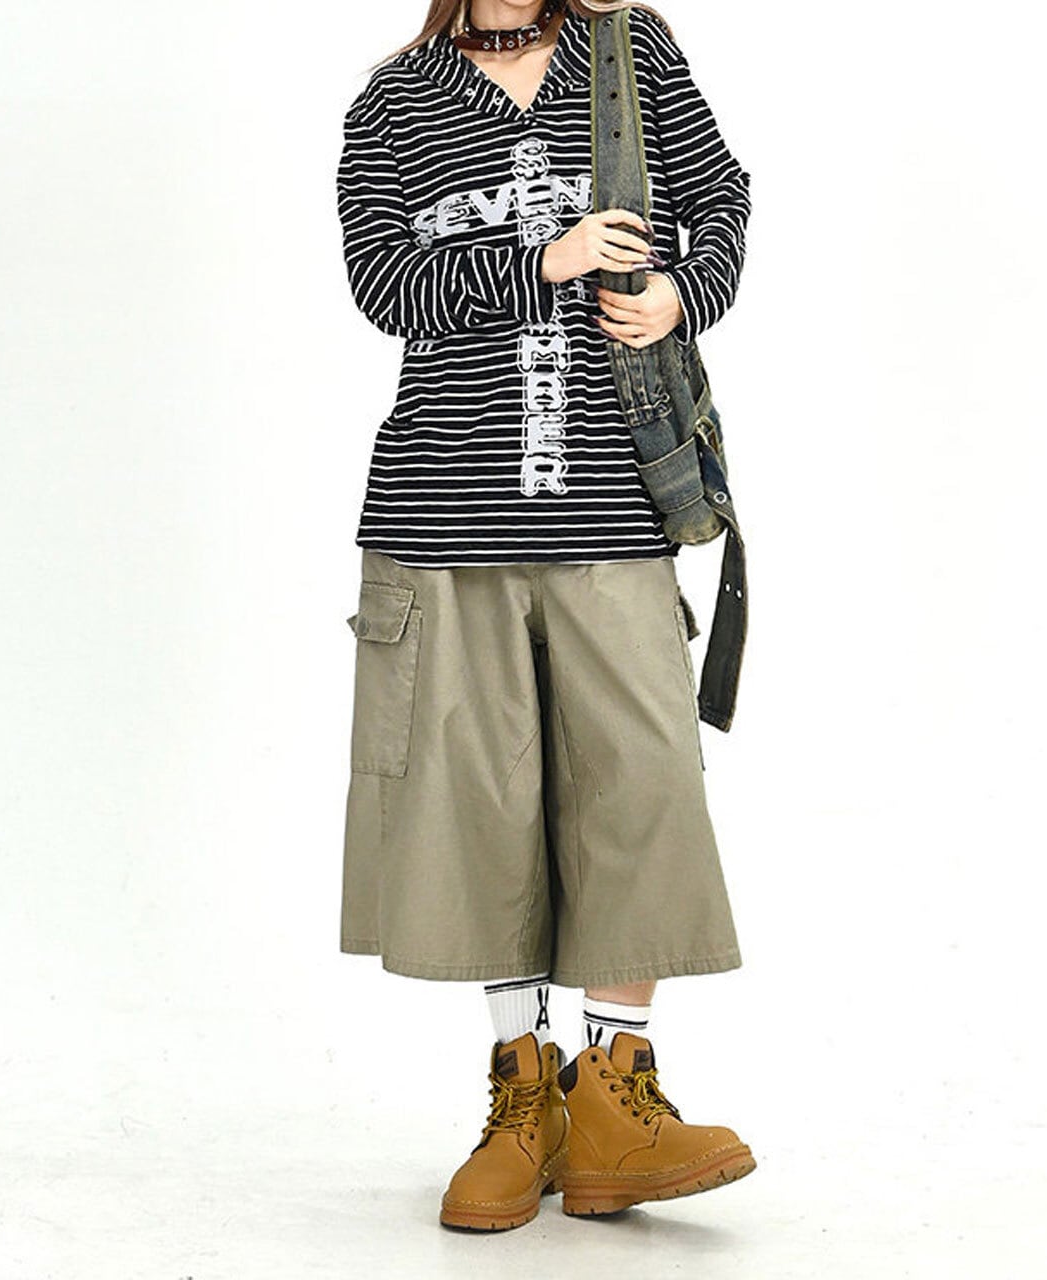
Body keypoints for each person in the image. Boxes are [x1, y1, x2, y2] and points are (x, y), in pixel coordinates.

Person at [335, 0, 755, 1229]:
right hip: (445, 513)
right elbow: (383, 283)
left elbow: (722, 197)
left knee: (642, 783)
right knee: (481, 804)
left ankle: (618, 1096)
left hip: (616, 504)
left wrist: (681, 294)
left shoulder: (633, 51)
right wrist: (547, 263)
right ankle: (525, 1098)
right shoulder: (393, 98)